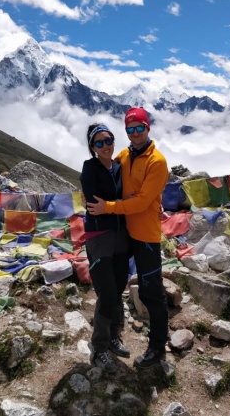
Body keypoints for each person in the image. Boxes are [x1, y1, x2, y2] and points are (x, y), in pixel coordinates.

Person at [86, 107, 170, 370]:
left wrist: (113, 206)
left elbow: (144, 200)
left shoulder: (157, 161)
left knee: (151, 291)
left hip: (145, 235)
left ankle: (157, 347)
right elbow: (124, 190)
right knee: (113, 288)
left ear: (148, 128)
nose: (134, 134)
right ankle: (110, 338)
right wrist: (131, 203)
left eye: (139, 128)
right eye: (130, 129)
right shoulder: (124, 156)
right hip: (124, 234)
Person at [80, 123, 131, 374]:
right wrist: (120, 205)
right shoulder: (90, 169)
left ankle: (114, 336)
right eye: (99, 143)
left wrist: (113, 206)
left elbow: (115, 202)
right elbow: (93, 203)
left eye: (108, 140)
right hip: (99, 236)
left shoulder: (121, 168)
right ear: (92, 147)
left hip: (122, 237)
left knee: (119, 288)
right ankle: (99, 347)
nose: (106, 146)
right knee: (108, 293)